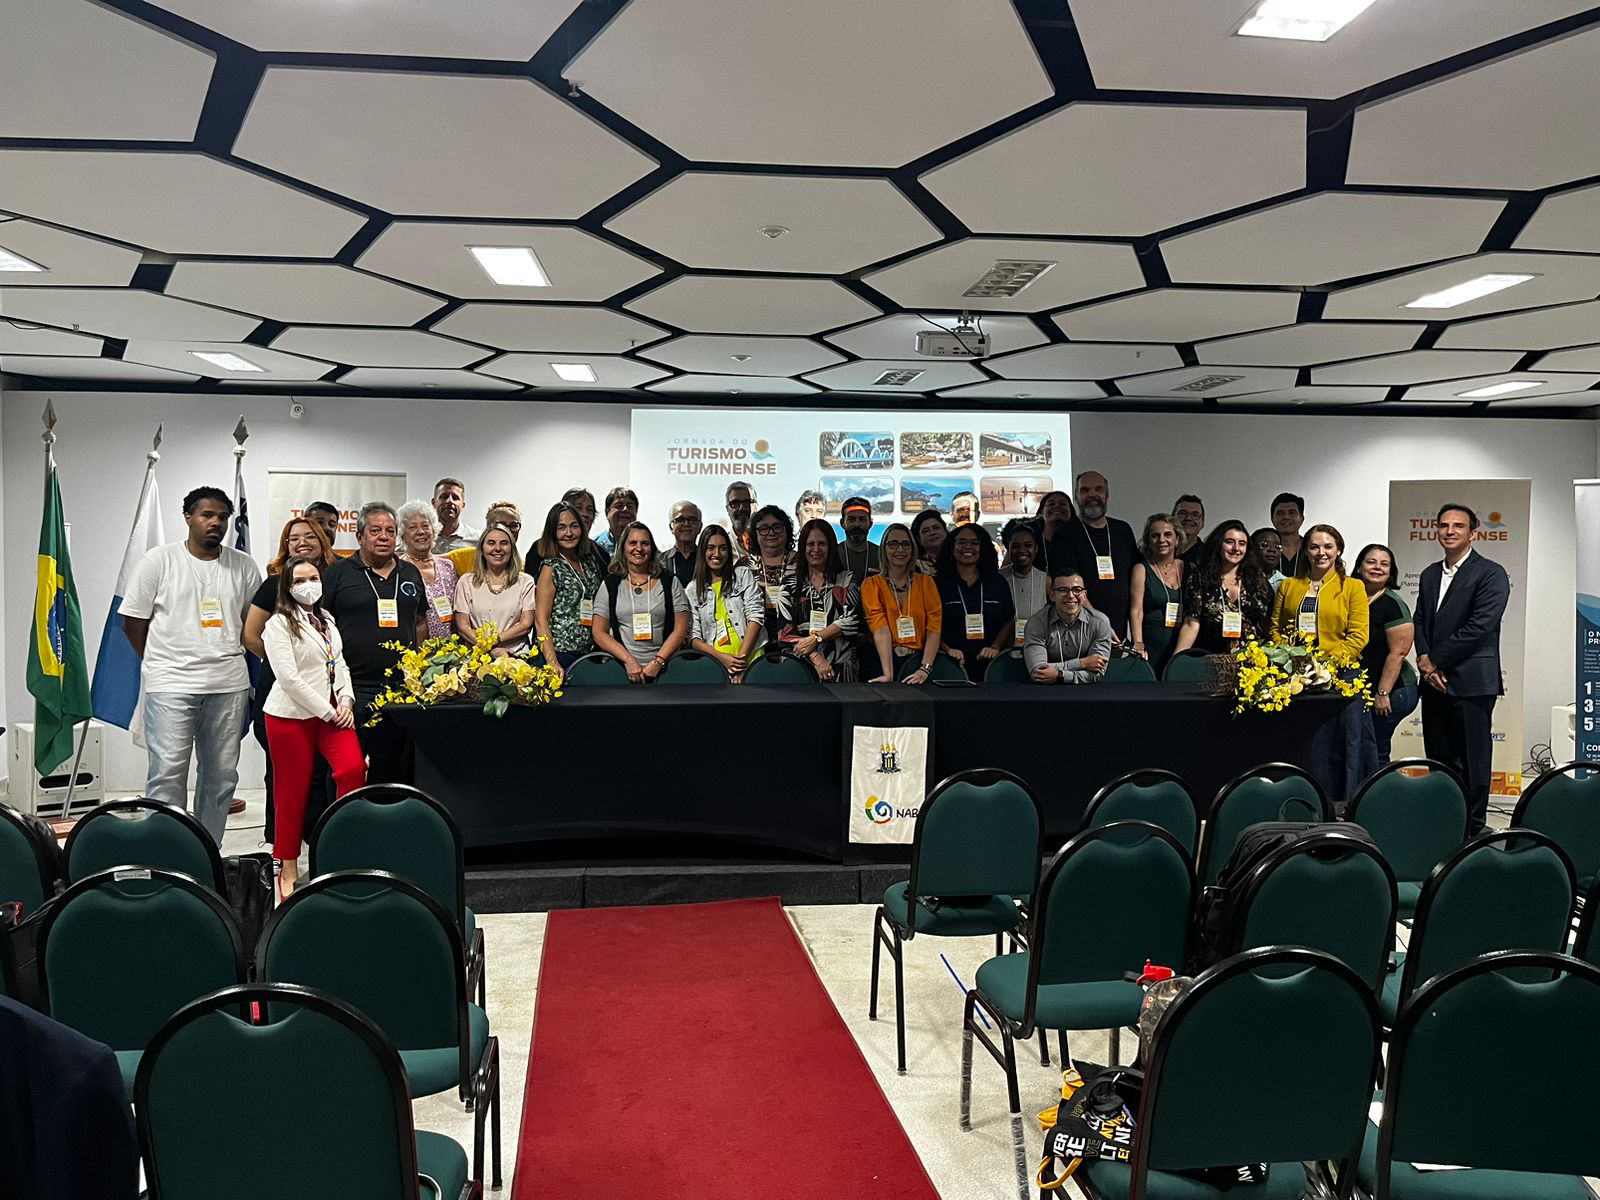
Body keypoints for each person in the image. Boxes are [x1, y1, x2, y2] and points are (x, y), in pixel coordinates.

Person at [119, 486, 263, 842]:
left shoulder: (242, 565)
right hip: (171, 685)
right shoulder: (158, 560)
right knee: (167, 773)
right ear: (188, 517)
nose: (216, 523)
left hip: (227, 684)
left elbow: (253, 624)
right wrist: (160, 661)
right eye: (207, 515)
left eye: (223, 517)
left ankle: (206, 852)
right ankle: (167, 853)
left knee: (221, 776)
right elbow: (133, 621)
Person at [260, 555, 365, 898]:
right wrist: (327, 710)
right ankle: (287, 863)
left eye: (314, 578)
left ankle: (342, 846)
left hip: (334, 713)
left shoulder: (327, 621)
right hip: (290, 716)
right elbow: (288, 678)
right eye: (300, 580)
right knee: (291, 791)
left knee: (352, 770)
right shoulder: (278, 624)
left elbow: (341, 665)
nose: (309, 585)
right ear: (288, 588)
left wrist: (346, 701)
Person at [1415, 504, 1510, 832]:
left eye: (1458, 526)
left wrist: (1435, 660)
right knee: (1438, 760)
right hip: (1433, 682)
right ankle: (1442, 823)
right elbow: (1420, 620)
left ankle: (1471, 828)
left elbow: (1480, 626)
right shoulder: (1429, 574)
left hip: (1471, 682)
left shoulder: (1491, 573)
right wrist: (1426, 664)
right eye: (1443, 525)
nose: (1449, 531)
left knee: (1473, 761)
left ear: (1473, 533)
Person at [243, 516, 335, 844]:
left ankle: (317, 836)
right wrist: (285, 663)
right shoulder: (275, 584)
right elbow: (251, 636)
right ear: (286, 544)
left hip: (325, 691)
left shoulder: (329, 581)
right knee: (284, 770)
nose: (302, 543)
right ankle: (280, 840)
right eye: (294, 538)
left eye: (309, 536)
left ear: (322, 540)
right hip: (282, 691)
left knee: (320, 771)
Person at [322, 502, 428, 784]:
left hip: (400, 689)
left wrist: (418, 668)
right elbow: (322, 625)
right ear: (360, 537)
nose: (384, 537)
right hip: (351, 690)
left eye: (390, 531)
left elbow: (419, 621)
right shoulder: (339, 573)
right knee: (347, 769)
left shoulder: (409, 573)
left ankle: (386, 823)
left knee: (393, 766)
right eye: (375, 531)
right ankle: (343, 824)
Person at [1270, 523, 1372, 804]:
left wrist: (1325, 666)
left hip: (1340, 678)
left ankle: (1343, 807)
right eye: (1314, 546)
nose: (1321, 552)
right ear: (1305, 549)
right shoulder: (1289, 586)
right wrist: (1296, 662)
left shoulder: (1353, 587)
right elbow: (1276, 630)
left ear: (1338, 550)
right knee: (1306, 746)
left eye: (1328, 546)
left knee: (1343, 745)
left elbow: (1358, 636)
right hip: (1296, 678)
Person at [591, 521, 690, 682]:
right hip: (620, 670)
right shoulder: (610, 584)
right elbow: (599, 632)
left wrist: (658, 662)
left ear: (652, 549)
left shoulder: (670, 581)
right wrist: (629, 661)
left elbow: (681, 628)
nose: (639, 548)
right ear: (623, 547)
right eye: (633, 543)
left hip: (665, 671)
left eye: (645, 543)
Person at [1355, 543, 1420, 769]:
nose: (1377, 568)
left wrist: (1383, 693)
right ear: (1359, 566)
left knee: (1376, 749)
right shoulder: (1354, 598)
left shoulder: (1392, 604)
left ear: (1391, 572)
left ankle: (1378, 799)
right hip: (1366, 689)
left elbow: (1398, 653)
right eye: (1371, 562)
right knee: (1365, 747)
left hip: (1394, 691)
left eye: (1384, 564)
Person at [1173, 520, 1273, 655]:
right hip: (1210, 660)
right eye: (1230, 542)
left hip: (1252, 664)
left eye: (1242, 543)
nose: (1236, 548)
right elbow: (1191, 623)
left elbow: (1268, 624)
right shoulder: (1200, 579)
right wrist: (1177, 660)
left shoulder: (1258, 582)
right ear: (1218, 544)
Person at [1062, 470, 1140, 641]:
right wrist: (1100, 624)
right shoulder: (1065, 534)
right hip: (1080, 630)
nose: (1092, 495)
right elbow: (1068, 586)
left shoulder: (1123, 530)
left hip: (1120, 631)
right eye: (1085, 490)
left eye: (1098, 489)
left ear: (1107, 494)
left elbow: (1137, 579)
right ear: (1076, 496)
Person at [862, 523, 942, 684]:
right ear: (883, 548)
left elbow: (934, 628)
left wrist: (924, 668)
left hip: (921, 661)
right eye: (893, 544)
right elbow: (880, 629)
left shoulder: (926, 583)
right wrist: (888, 674)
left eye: (906, 544)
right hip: (884, 661)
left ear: (913, 549)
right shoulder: (871, 585)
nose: (900, 550)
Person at [783, 519, 862, 682]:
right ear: (803, 548)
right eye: (810, 544)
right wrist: (816, 657)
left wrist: (816, 638)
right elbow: (785, 633)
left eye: (822, 544)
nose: (816, 549)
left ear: (831, 547)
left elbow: (851, 620)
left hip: (842, 668)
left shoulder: (847, 580)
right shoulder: (789, 584)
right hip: (802, 666)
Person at [533, 501, 604, 679]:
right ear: (552, 533)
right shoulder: (551, 567)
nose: (569, 533)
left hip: (587, 653)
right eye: (561, 528)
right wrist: (552, 661)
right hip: (558, 654)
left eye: (574, 526)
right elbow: (541, 619)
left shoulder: (589, 563)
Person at [935, 522, 1015, 680]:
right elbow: (929, 624)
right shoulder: (938, 584)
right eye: (961, 542)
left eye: (974, 542)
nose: (968, 547)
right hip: (950, 663)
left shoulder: (997, 583)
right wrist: (946, 649)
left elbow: (1008, 620)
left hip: (990, 664)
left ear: (983, 547)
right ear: (952, 547)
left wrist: (996, 646)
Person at [687, 524, 764, 681]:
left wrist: (740, 663)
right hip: (715, 666)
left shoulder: (742, 575)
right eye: (711, 548)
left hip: (752, 660)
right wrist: (722, 658)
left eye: (722, 548)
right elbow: (694, 638)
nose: (717, 553)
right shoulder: (692, 589)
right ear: (702, 551)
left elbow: (756, 616)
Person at [454, 524, 536, 656]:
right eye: (491, 543)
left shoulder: (525, 582)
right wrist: (489, 649)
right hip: (476, 659)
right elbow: (463, 626)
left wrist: (494, 641)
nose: (498, 549)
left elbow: (525, 624)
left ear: (512, 549)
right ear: (481, 549)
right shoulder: (466, 582)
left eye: (504, 543)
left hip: (516, 659)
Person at [1023, 573, 1112, 684]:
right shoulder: (1036, 623)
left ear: (1084, 595)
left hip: (1087, 692)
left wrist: (1060, 676)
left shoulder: (1100, 623)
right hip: (1044, 692)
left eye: (1077, 590)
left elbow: (1097, 674)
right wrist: (1082, 663)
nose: (1070, 595)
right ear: (1052, 595)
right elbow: (1038, 672)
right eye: (1063, 590)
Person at [1129, 514, 1185, 677]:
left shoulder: (1189, 568)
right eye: (1155, 535)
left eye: (1168, 534)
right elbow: (1136, 611)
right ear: (1148, 541)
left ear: (1177, 540)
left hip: (1182, 644)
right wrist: (1138, 643)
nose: (1162, 540)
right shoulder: (1141, 569)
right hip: (1152, 644)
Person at [395, 499, 459, 640]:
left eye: (425, 526)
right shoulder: (398, 569)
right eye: (412, 527)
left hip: (452, 652)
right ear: (402, 535)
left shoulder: (448, 566)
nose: (420, 532)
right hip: (413, 652)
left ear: (434, 530)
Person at [747, 505, 799, 640]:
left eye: (777, 527)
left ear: (786, 530)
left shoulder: (802, 562)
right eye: (764, 528)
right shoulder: (745, 565)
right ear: (755, 533)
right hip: (755, 637)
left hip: (795, 634)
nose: (771, 533)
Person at [999, 520, 1048, 652]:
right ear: (1008, 549)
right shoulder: (998, 578)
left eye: (1028, 545)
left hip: (1039, 650)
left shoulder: (1046, 580)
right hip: (1003, 651)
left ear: (1036, 549)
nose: (1022, 550)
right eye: (1015, 546)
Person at [1030, 490, 1081, 582]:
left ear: (1071, 512)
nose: (1057, 506)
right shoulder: (1029, 542)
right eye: (1051, 504)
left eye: (1062, 504)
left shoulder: (1080, 542)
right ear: (1041, 512)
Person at [561, 487, 610, 575]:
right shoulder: (543, 548)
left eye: (590, 510)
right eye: (578, 508)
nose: (585, 514)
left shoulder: (601, 554)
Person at [838, 497, 881, 584]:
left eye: (862, 519)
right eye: (851, 519)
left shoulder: (882, 555)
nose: (857, 525)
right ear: (842, 523)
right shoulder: (832, 554)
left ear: (870, 523)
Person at [661, 500, 702, 588]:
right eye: (679, 520)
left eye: (692, 520)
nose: (686, 524)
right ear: (671, 527)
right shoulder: (659, 562)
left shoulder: (709, 560)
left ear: (700, 527)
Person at [431, 477, 476, 553]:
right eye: (444, 497)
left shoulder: (477, 540)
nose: (449, 501)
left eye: (455, 498)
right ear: (434, 503)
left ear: (463, 505)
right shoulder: (423, 538)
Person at [593, 486, 638, 556]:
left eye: (630, 506)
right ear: (607, 512)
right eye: (619, 506)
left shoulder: (645, 547)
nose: (625, 509)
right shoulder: (593, 547)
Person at [1271, 492, 1306, 578]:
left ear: (1302, 519)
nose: (1286, 517)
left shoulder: (1310, 549)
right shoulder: (1264, 551)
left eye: (1292, 513)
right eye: (1280, 513)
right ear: (1272, 519)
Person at [724, 480, 756, 558]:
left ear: (756, 506)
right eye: (735, 503)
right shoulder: (721, 546)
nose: (741, 508)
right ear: (727, 509)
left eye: (747, 502)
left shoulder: (770, 542)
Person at [910, 508, 947, 574]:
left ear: (945, 531)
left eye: (936, 528)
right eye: (925, 531)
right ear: (919, 539)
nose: (932, 533)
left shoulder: (959, 559)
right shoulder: (914, 567)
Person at [1172, 495, 1206, 566]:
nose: (1188, 518)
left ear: (1202, 523)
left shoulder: (1209, 556)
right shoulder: (1156, 551)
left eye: (1195, 515)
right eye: (1182, 513)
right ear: (1172, 519)